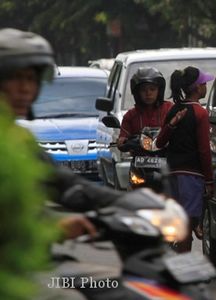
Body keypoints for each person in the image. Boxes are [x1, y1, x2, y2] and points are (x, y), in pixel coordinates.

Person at [0, 27, 159, 300]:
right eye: (14, 79)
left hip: (38, 262)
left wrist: (137, 203)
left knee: (128, 291)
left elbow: (66, 183)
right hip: (12, 272)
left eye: (30, 79)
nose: (24, 88)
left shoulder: (19, 139)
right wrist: (52, 228)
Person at [157, 66, 214, 252]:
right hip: (191, 176)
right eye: (204, 83)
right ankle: (183, 268)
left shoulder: (174, 110)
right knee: (185, 228)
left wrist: (172, 125)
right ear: (197, 88)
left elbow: (160, 142)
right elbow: (204, 150)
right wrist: (209, 179)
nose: (206, 86)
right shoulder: (200, 113)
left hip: (172, 173)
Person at [117, 66, 186, 153]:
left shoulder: (170, 109)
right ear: (137, 93)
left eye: (152, 89)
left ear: (159, 91)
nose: (148, 93)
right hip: (139, 160)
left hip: (167, 160)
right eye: (143, 90)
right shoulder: (130, 115)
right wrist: (122, 142)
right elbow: (123, 137)